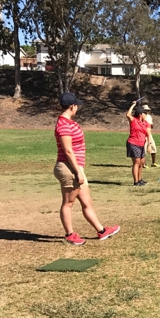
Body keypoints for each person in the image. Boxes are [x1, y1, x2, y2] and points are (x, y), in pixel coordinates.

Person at [54, 92, 120, 245]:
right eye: (76, 105)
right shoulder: (63, 124)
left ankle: (102, 231)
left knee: (87, 202)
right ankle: (70, 235)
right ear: (72, 106)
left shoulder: (69, 122)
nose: (78, 108)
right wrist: (77, 171)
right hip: (69, 168)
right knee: (68, 203)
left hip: (76, 167)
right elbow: (68, 150)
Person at [126, 101, 152, 186]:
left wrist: (149, 145)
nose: (146, 115)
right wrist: (133, 104)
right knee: (136, 162)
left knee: (142, 162)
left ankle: (140, 179)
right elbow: (128, 115)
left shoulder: (146, 123)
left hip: (141, 144)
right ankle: (136, 181)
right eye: (145, 114)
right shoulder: (134, 120)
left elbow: (148, 134)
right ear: (140, 114)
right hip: (133, 143)